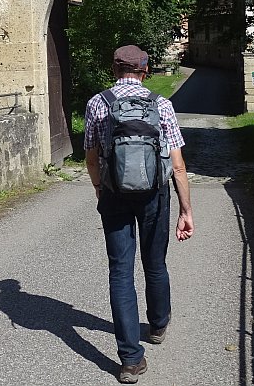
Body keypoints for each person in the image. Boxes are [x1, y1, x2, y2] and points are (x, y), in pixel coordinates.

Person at [84, 45, 194, 384]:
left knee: (120, 272)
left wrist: (99, 187)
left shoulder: (98, 103)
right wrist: (186, 209)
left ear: (114, 70)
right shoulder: (161, 104)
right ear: (145, 71)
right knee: (155, 262)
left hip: (114, 193)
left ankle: (130, 360)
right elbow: (177, 165)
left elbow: (91, 157)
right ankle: (158, 325)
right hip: (154, 194)